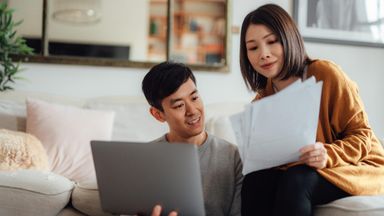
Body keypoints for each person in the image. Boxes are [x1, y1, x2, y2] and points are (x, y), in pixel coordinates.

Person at [238, 3, 384, 216]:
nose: (264, 54)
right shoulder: (262, 100)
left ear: (289, 38)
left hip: (358, 166)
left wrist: (328, 154)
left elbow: (363, 135)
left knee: (297, 180)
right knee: (255, 181)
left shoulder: (325, 74)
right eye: (253, 47)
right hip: (306, 169)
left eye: (271, 42)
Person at [141, 61, 243, 216]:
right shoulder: (144, 158)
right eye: (179, 106)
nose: (192, 111)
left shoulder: (233, 156)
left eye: (194, 98)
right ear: (158, 114)